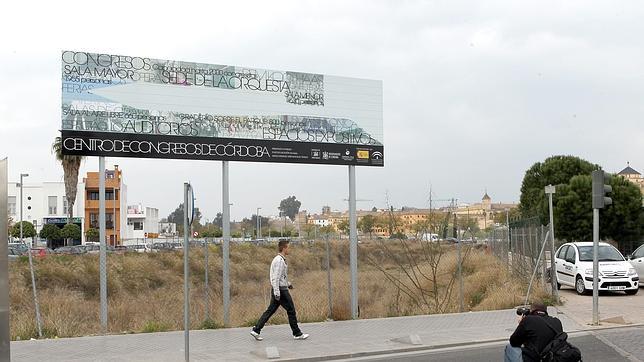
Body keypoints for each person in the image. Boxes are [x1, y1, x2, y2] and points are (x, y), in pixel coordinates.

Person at [250, 239, 309, 341]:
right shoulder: (279, 261)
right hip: (281, 291)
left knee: (270, 310)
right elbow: (275, 278)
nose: (289, 249)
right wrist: (277, 292)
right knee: (291, 310)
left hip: (280, 289)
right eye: (288, 247)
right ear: (284, 248)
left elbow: (281, 277)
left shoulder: (280, 259)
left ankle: (256, 330)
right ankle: (297, 333)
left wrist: (288, 284)